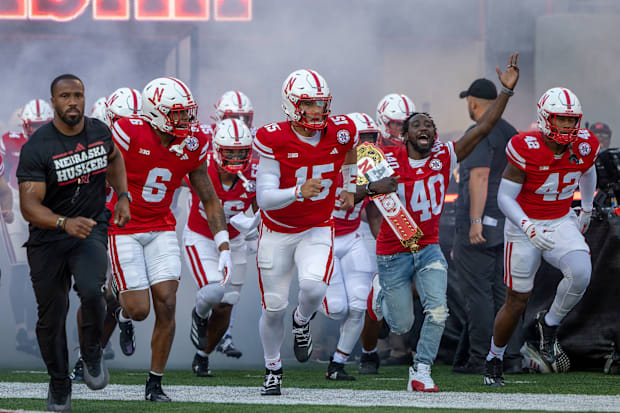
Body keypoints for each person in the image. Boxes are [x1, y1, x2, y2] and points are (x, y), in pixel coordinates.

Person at [367, 53, 520, 392]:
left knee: (438, 312)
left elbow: (484, 128)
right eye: (418, 124)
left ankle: (420, 372)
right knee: (402, 323)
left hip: (428, 247)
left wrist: (505, 93)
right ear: (404, 135)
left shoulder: (444, 154)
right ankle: (379, 296)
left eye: (430, 124)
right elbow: (355, 191)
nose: (425, 128)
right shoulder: (387, 159)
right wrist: (371, 187)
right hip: (393, 251)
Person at [107, 76, 230, 402]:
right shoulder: (128, 132)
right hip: (123, 226)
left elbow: (209, 196)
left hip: (161, 225)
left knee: (169, 301)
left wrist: (222, 242)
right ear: (156, 112)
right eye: (177, 114)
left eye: (188, 113)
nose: (187, 121)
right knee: (139, 310)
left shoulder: (195, 140)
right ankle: (122, 314)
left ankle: (154, 382)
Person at [17, 73, 131, 411]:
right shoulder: (37, 146)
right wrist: (63, 222)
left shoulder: (99, 131)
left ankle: (92, 352)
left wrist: (122, 194)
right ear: (53, 101)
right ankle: (58, 382)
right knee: (52, 317)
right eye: (65, 96)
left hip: (90, 228)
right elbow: (29, 207)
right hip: (49, 238)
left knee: (96, 292)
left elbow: (115, 159)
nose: (73, 102)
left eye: (78, 95)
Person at [252, 69, 359, 396]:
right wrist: (298, 191)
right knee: (273, 306)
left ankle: (302, 321)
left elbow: (350, 151)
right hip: (277, 231)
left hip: (316, 226)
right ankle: (273, 369)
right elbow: (264, 198)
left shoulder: (341, 131)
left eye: (320, 103)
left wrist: (351, 186)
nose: (316, 110)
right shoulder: (273, 139)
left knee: (313, 289)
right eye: (308, 103)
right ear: (291, 105)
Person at [484, 86, 600, 386]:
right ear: (546, 118)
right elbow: (504, 198)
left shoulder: (584, 144)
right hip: (524, 225)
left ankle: (548, 326)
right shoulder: (526, 146)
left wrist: (585, 208)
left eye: (572, 120)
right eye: (561, 119)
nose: (568, 126)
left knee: (581, 273)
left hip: (561, 219)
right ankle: (494, 358)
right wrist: (527, 226)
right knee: (516, 301)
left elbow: (587, 171)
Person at [317, 112, 397, 381]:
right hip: (322, 239)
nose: (366, 145)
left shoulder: (373, 167)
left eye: (370, 138)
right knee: (337, 308)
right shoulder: (326, 162)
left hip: (352, 238)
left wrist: (384, 247)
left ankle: (337, 363)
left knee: (360, 305)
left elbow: (373, 213)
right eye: (361, 138)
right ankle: (302, 315)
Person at [71, 87, 143, 382]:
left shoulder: (146, 142)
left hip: (133, 225)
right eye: (125, 122)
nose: (132, 129)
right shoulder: (92, 139)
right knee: (93, 295)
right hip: (96, 223)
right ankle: (85, 358)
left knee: (114, 299)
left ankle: (112, 332)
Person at [452, 78, 521, 374]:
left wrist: (475, 221)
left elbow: (479, 176)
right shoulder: (511, 132)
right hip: (507, 222)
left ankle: (481, 358)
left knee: (477, 294)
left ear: (472, 102)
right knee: (505, 295)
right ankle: (511, 357)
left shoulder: (479, 133)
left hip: (482, 225)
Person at [185, 118, 258, 377]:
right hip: (201, 237)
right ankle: (198, 316)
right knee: (213, 292)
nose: (237, 157)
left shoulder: (256, 171)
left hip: (236, 240)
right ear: (217, 149)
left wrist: (254, 229)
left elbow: (260, 204)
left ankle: (202, 356)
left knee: (228, 302)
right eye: (230, 151)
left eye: (241, 151)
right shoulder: (200, 165)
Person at [1, 99, 53, 356]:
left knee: (39, 270)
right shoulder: (8, 140)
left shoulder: (57, 140)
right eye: (34, 125)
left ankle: (35, 330)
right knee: (19, 269)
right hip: (17, 198)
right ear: (24, 124)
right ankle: (22, 328)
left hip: (42, 201)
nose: (38, 130)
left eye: (43, 124)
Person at [212, 89, 256, 358]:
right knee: (212, 287)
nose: (240, 122)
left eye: (244, 117)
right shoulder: (203, 143)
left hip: (238, 226)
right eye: (233, 117)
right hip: (204, 226)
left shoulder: (252, 146)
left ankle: (224, 335)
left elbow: (257, 194)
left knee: (233, 289)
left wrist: (255, 231)